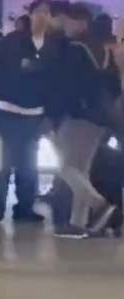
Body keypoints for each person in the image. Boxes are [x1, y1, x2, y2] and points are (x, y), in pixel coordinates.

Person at [52, 3, 120, 238]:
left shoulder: (75, 49)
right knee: (82, 170)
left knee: (67, 168)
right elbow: (114, 85)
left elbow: (67, 86)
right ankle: (77, 223)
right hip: (101, 118)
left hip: (78, 117)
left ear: (80, 22)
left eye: (68, 21)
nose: (65, 26)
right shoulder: (102, 49)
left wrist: (64, 113)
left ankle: (99, 205)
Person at [0, 0, 60, 223]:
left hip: (36, 112)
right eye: (38, 12)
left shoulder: (53, 45)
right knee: (4, 162)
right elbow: (4, 70)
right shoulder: (13, 41)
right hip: (8, 109)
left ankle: (25, 207)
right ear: (30, 14)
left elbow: (53, 81)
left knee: (28, 163)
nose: (42, 16)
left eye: (47, 13)